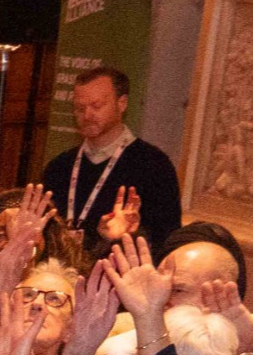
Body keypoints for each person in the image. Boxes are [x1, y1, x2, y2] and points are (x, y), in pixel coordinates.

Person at [37, 63, 180, 250]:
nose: (87, 115)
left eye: (96, 106)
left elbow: (167, 239)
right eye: (79, 108)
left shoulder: (153, 165)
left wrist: (125, 236)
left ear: (122, 104)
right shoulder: (60, 166)